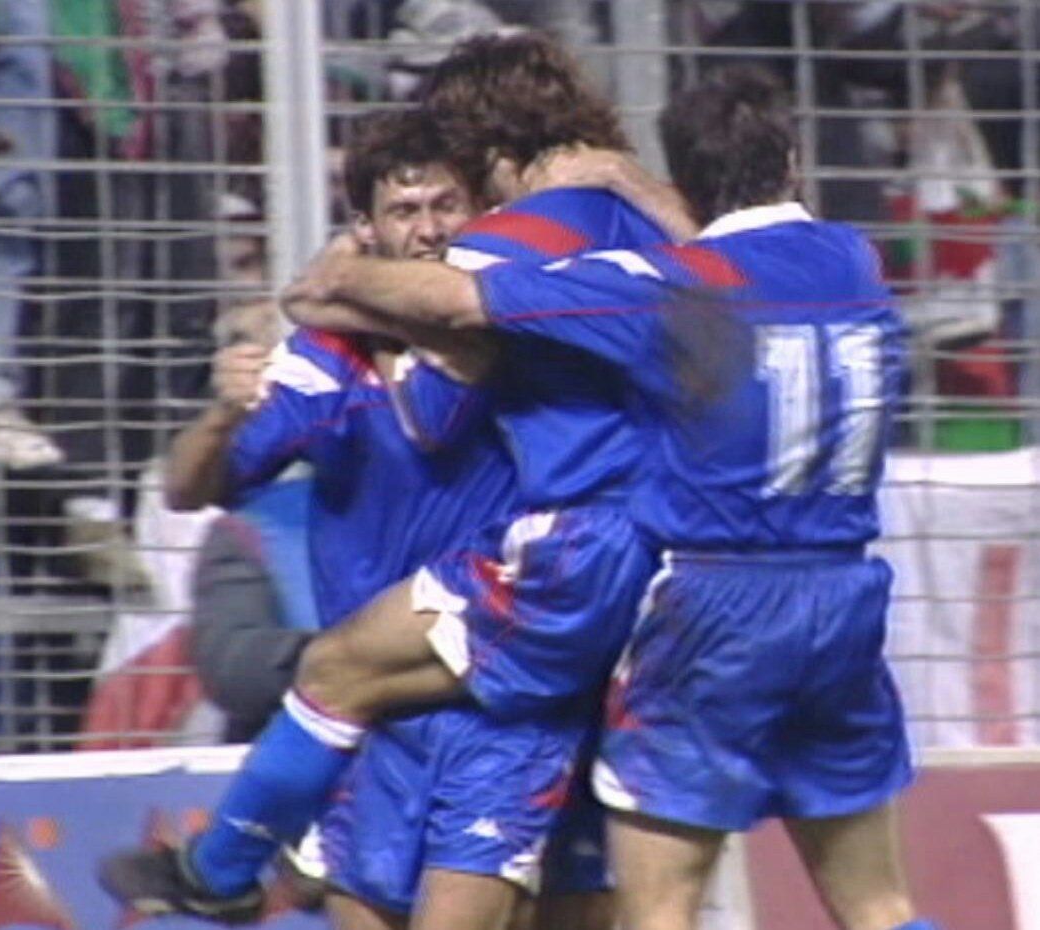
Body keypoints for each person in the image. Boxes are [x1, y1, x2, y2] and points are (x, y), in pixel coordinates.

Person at [287, 63, 937, 930]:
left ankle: (217, 863)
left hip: (718, 604)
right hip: (847, 602)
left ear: (684, 178)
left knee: (657, 908)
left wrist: (342, 277)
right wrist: (631, 180)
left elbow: (460, 299)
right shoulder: (851, 260)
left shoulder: (670, 285)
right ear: (792, 162)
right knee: (880, 907)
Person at [98, 31, 697, 927]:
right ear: (366, 227)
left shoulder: (525, 318)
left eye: (444, 205)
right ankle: (218, 873)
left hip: (508, 705)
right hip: (381, 719)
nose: (426, 229)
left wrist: (627, 187)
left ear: (479, 208)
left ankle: (217, 868)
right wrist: (223, 412)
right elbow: (192, 490)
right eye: (402, 209)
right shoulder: (333, 355)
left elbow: (694, 277)